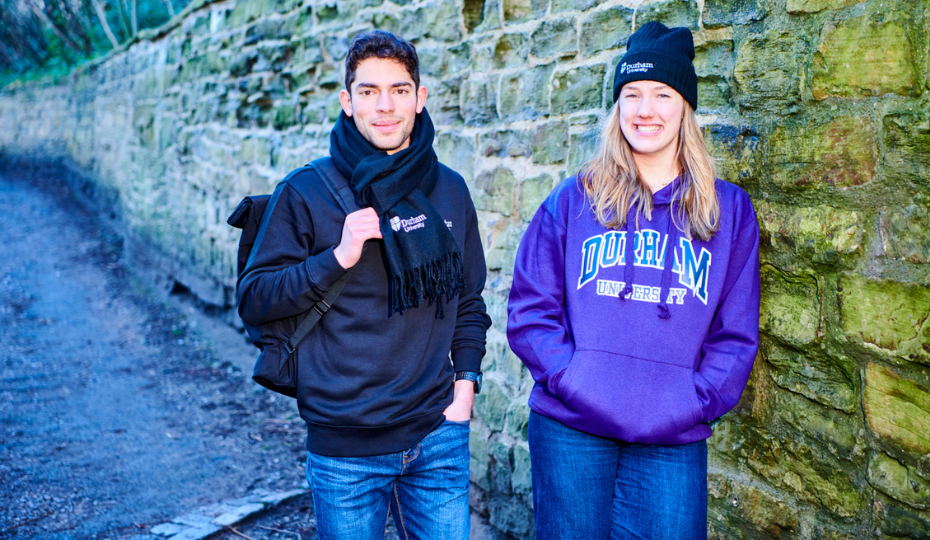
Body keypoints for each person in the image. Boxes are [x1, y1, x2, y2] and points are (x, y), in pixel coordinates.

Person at [506, 21, 760, 540]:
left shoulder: (727, 211)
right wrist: (571, 378)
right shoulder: (573, 200)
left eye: (662, 94)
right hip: (571, 427)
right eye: (632, 94)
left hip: (671, 434)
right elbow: (530, 309)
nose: (645, 110)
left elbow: (735, 333)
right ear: (617, 106)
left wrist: (695, 399)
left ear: (684, 107)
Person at [237, 30, 491, 540]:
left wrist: (466, 385)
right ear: (347, 101)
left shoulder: (449, 189)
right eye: (369, 91)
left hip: (437, 433)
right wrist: (336, 259)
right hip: (345, 448)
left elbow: (468, 299)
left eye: (399, 90)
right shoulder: (307, 190)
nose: (385, 106)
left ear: (419, 99)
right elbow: (253, 298)